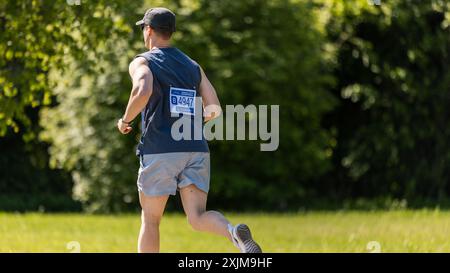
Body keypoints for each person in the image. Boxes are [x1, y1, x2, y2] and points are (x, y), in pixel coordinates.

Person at [116, 7, 262, 253]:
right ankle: (233, 231)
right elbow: (214, 108)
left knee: (151, 220)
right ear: (171, 32)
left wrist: (125, 119)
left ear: (149, 30)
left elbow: (142, 89)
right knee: (197, 216)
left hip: (160, 148)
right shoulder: (192, 65)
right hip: (195, 147)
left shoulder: (143, 61)